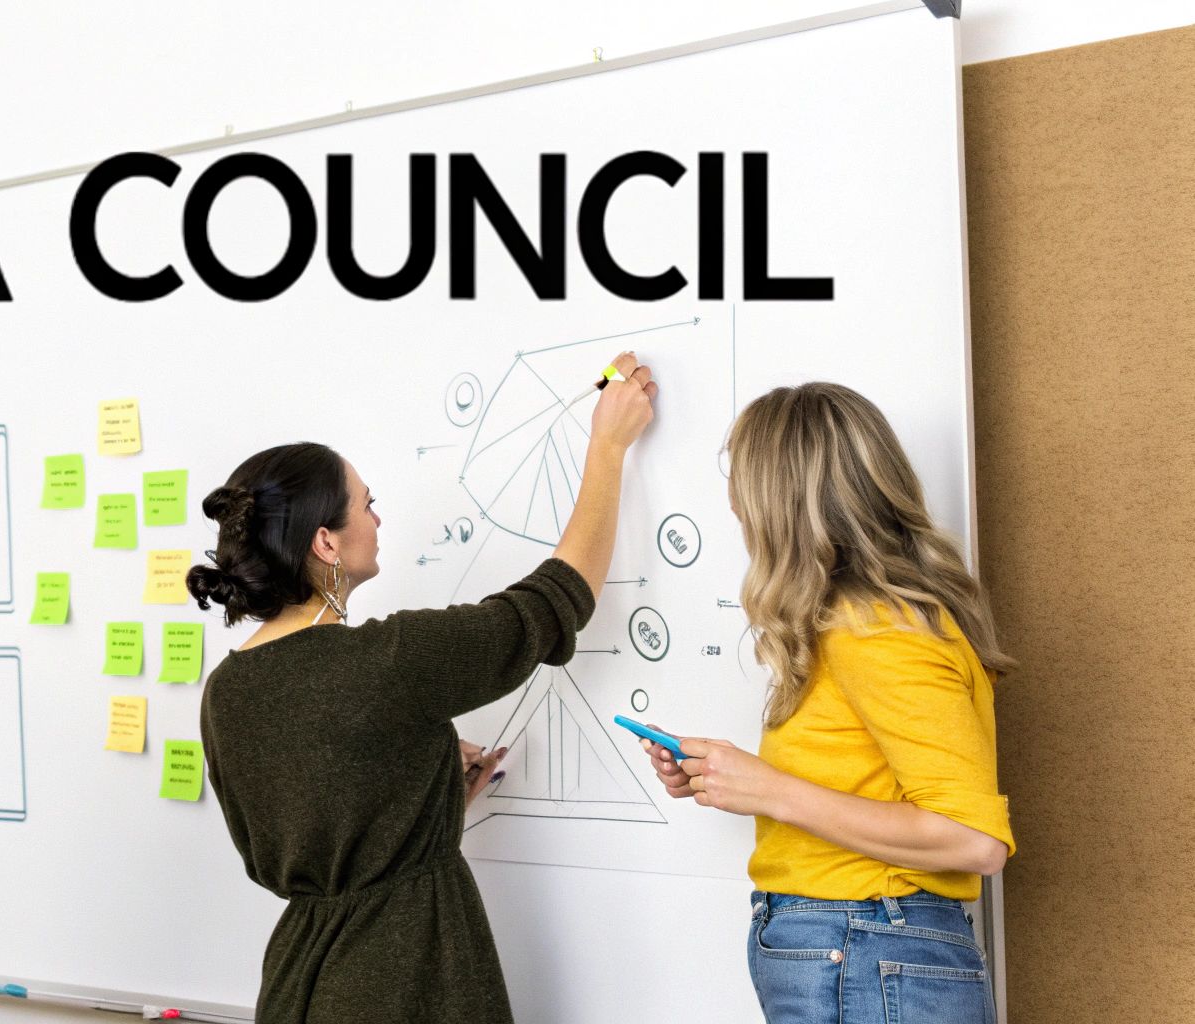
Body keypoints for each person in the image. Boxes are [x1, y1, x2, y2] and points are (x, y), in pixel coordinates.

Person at [188, 352, 658, 1024]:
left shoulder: (227, 690)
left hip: (298, 985)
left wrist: (419, 799)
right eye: (367, 505)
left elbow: (324, 813)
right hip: (409, 983)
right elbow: (557, 600)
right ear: (325, 541)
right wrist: (608, 448)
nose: (378, 520)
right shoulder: (383, 663)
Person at [637, 382, 1015, 1024]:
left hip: (867, 942)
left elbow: (974, 840)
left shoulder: (878, 631)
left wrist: (769, 790)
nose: (735, 506)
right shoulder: (850, 624)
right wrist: (731, 780)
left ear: (780, 502)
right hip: (858, 945)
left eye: (744, 485)